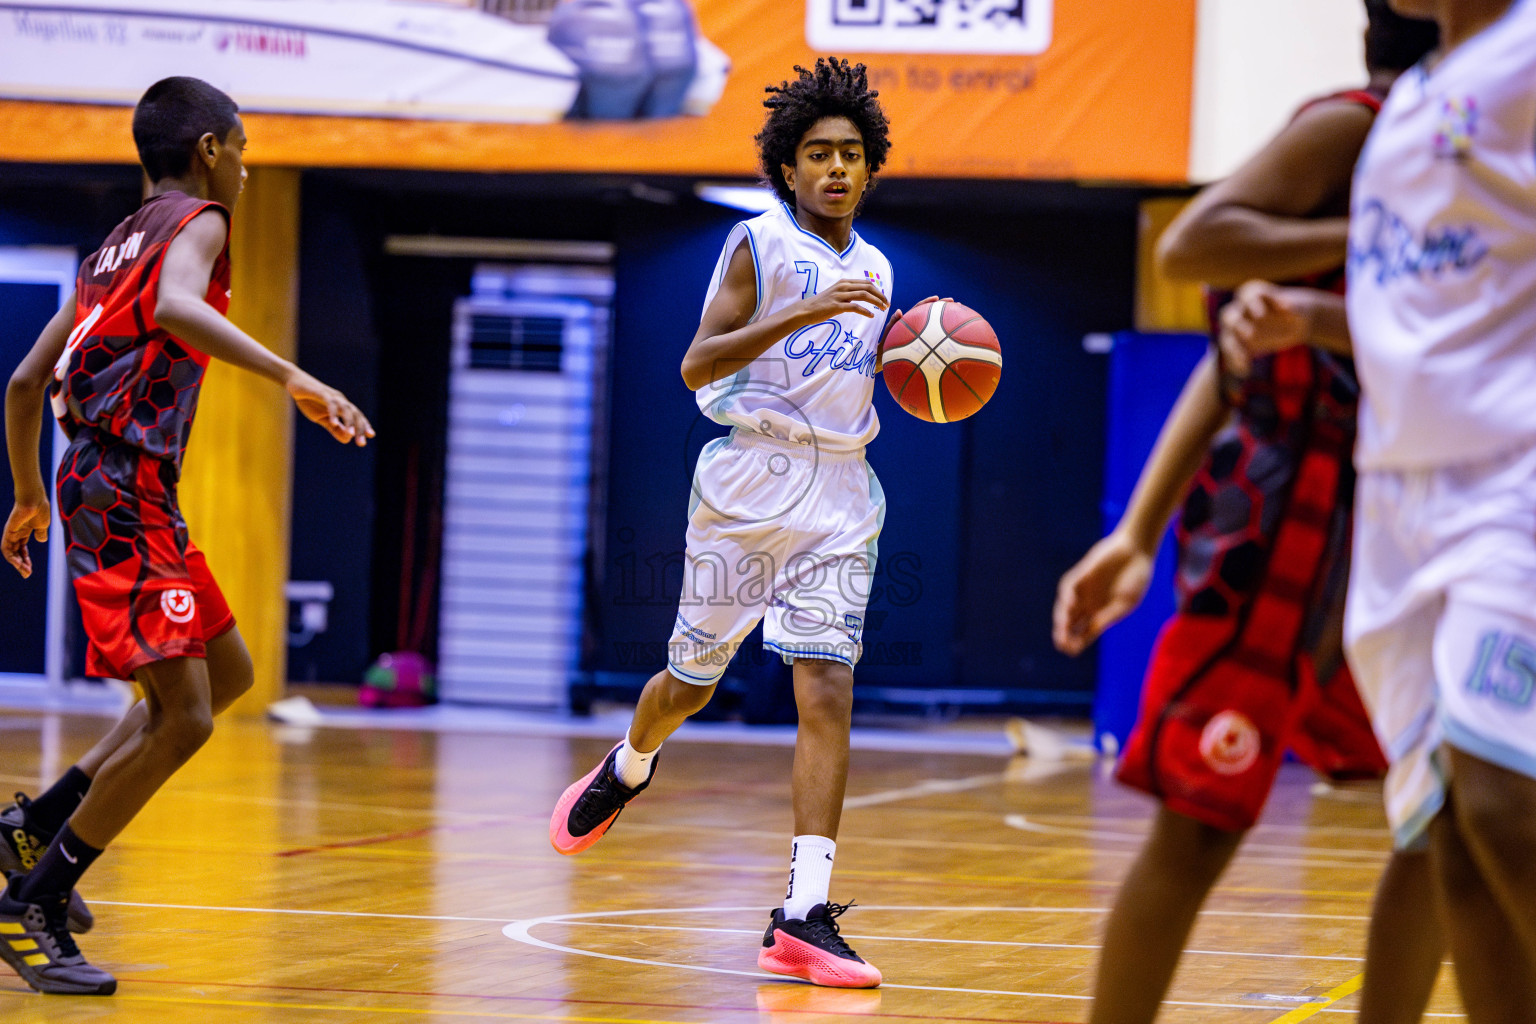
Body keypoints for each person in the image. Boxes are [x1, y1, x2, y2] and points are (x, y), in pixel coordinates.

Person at [1050, 5, 1442, 1021]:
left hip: (1411, 513)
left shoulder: (1474, 142)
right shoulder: (1358, 125)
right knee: (1200, 817)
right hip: (1286, 514)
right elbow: (1196, 248)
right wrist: (1138, 529)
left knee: (1453, 818)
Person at [0, 76, 372, 996]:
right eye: (242, 147)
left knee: (229, 673)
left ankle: (36, 824)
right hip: (122, 486)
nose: (246, 167)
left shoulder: (104, 254)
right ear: (210, 149)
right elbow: (174, 307)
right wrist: (295, 377)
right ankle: (36, 901)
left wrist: (27, 495)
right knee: (187, 716)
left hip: (115, 484)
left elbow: (21, 385)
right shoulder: (196, 222)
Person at [549, 57, 905, 989]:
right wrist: (799, 315)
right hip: (748, 479)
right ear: (788, 168)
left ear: (871, 170)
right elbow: (698, 364)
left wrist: (924, 367)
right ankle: (630, 763)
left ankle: (801, 915)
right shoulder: (757, 244)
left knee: (827, 685)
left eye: (852, 155)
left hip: (841, 491)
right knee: (690, 680)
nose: (835, 169)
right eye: (818, 154)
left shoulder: (877, 265)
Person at [1229, 1, 1536, 1018]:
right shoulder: (1411, 104)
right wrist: (1313, 313)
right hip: (1405, 504)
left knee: (1497, 798)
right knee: (1448, 836)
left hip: (1512, 480)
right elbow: (1429, 298)